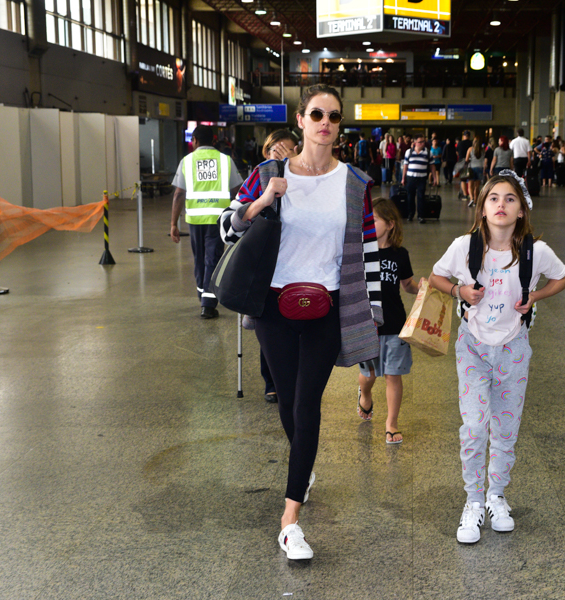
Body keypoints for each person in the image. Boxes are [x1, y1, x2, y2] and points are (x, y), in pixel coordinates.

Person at [225, 84, 383, 560]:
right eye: (317, 113)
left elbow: (368, 250)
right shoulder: (268, 173)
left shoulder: (355, 183)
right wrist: (261, 202)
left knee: (308, 402)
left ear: (339, 126)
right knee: (289, 403)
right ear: (300, 119)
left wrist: (372, 314)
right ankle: (303, 462)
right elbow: (225, 226)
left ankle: (289, 520)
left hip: (327, 308)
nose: (325, 123)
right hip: (274, 306)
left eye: (334, 117)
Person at [429, 171, 565, 544]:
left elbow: (562, 279)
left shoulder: (535, 251)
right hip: (473, 347)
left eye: (510, 199)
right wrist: (460, 289)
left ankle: (496, 495)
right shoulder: (465, 246)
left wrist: (535, 297)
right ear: (482, 207)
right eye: (493, 198)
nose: (501, 205)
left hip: (514, 348)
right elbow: (435, 278)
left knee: (506, 428)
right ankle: (473, 500)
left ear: (522, 210)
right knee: (475, 424)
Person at [242, 129, 299, 403]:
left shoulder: (308, 176)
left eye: (286, 149)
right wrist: (264, 197)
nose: (279, 153)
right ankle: (271, 382)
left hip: (300, 267)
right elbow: (234, 219)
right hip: (268, 266)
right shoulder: (261, 174)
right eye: (274, 149)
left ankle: (296, 380)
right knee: (270, 333)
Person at [357, 198, 419, 444]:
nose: (369, 225)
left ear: (390, 224)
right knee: (370, 375)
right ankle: (364, 394)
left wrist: (422, 288)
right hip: (367, 325)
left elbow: (407, 284)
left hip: (395, 324)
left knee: (393, 375)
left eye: (374, 221)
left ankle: (391, 423)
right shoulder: (362, 252)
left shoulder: (400, 255)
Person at [170, 125, 243, 319]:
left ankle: (204, 298)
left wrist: (173, 224)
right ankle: (207, 302)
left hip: (195, 219)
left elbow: (178, 194)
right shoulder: (225, 161)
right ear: (213, 140)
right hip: (218, 217)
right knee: (213, 258)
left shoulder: (187, 161)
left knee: (200, 259)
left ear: (194, 140)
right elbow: (238, 191)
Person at [402, 135, 430, 222]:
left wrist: (435, 178)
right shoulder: (408, 152)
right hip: (411, 178)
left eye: (423, 142)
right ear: (415, 143)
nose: (422, 144)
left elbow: (432, 166)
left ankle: (421, 216)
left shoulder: (428, 152)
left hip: (422, 178)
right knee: (410, 197)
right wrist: (403, 178)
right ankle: (411, 214)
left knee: (421, 197)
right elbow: (405, 166)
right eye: (420, 142)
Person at [465, 136, 484, 207]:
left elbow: (466, 160)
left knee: (470, 186)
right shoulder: (482, 150)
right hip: (480, 169)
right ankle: (475, 202)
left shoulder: (470, 149)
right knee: (477, 186)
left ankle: (471, 198)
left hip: (472, 169)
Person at [457, 131, 473, 200]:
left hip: (462, 162)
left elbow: (457, 152)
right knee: (470, 179)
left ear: (463, 136)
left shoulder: (460, 143)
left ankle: (465, 195)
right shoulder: (471, 143)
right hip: (470, 162)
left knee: (463, 179)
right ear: (469, 136)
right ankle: (470, 194)